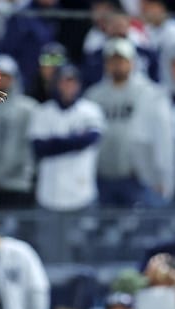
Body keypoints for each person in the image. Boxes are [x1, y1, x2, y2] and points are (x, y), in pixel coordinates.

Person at [85, 37, 175, 207]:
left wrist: (160, 176)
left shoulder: (148, 93)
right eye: (112, 61)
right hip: (103, 176)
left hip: (137, 176)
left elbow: (161, 137)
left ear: (132, 62)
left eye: (122, 60)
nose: (117, 65)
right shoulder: (93, 96)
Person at [28, 64, 105, 213]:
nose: (68, 86)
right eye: (64, 82)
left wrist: (55, 142)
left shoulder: (90, 110)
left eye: (72, 82)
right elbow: (39, 148)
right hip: (49, 194)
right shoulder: (42, 111)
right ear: (56, 84)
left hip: (82, 193)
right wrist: (75, 140)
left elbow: (91, 139)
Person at [0, 56, 36, 209]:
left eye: (5, 75)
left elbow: (25, 151)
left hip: (16, 185)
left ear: (14, 78)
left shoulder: (28, 109)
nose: (1, 80)